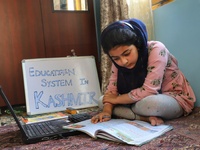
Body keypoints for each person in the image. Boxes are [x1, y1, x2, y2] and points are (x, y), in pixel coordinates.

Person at [91, 18, 196, 126]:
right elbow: (111, 92)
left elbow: (149, 90)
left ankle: (132, 112)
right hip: (136, 100)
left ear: (137, 45)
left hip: (171, 98)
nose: (123, 61)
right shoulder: (117, 62)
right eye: (116, 58)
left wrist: (117, 100)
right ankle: (142, 117)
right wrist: (106, 111)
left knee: (151, 104)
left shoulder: (156, 49)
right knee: (102, 100)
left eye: (127, 53)